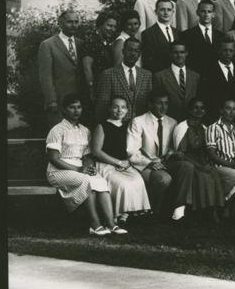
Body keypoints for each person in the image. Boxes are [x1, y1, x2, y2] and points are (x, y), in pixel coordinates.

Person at [46, 94, 123, 236]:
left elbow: (86, 156)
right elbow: (53, 158)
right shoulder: (57, 130)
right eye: (72, 107)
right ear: (64, 110)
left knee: (100, 181)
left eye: (79, 107)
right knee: (86, 181)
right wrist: (79, 169)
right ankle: (95, 224)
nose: (76, 111)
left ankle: (112, 224)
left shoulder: (85, 130)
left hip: (79, 169)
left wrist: (89, 167)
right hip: (58, 171)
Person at [126, 90, 193, 222]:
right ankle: (153, 212)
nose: (163, 107)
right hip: (146, 165)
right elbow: (132, 151)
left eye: (166, 103)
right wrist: (149, 163)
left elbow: (174, 146)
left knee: (187, 166)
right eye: (159, 103)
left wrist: (172, 154)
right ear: (150, 104)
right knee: (164, 179)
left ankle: (179, 209)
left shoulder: (172, 122)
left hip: (164, 162)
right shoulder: (138, 122)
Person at [89, 96, 152, 225]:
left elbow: (132, 147)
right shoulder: (102, 126)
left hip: (125, 164)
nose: (119, 110)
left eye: (123, 107)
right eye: (115, 107)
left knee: (138, 180)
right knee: (123, 184)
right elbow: (96, 151)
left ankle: (128, 213)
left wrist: (126, 162)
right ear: (109, 108)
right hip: (106, 164)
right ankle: (117, 214)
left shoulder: (129, 126)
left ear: (127, 110)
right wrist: (117, 162)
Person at [169, 98, 226, 222]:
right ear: (189, 110)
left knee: (213, 172)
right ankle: (204, 211)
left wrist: (205, 163)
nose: (199, 111)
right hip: (184, 160)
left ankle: (214, 210)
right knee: (201, 174)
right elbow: (180, 153)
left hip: (200, 160)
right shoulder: (182, 127)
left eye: (202, 108)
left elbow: (207, 151)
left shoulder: (205, 128)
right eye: (195, 107)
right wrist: (199, 166)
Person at [39, 10, 85, 125]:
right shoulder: (48, 45)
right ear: (60, 23)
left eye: (76, 22)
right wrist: (51, 100)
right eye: (69, 22)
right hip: (59, 101)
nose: (73, 25)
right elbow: (45, 76)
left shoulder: (82, 44)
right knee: (58, 136)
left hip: (79, 100)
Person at [94, 37, 152, 123]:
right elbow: (102, 106)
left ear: (140, 54)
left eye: (136, 51)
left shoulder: (146, 75)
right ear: (123, 51)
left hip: (140, 126)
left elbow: (149, 104)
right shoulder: (108, 74)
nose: (133, 53)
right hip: (117, 126)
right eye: (130, 50)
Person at [152, 41, 198, 122]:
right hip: (169, 121)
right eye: (175, 52)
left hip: (191, 121)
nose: (179, 55)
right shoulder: (159, 76)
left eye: (182, 52)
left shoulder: (195, 76)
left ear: (186, 53)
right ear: (170, 54)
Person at [200, 37, 235, 120]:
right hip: (216, 118)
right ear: (219, 51)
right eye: (225, 50)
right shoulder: (209, 72)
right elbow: (207, 98)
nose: (228, 53)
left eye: (231, 50)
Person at [182, 0, 224, 78]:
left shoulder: (221, 36)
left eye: (209, 12)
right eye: (203, 11)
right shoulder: (187, 35)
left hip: (216, 77)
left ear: (214, 14)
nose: (206, 14)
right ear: (197, 13)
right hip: (196, 76)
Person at [82, 12, 119, 102]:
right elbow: (87, 68)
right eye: (109, 26)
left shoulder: (106, 42)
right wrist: (92, 91)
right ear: (100, 25)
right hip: (95, 91)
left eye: (114, 26)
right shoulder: (91, 41)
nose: (113, 29)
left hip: (105, 88)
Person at [141, 0, 180, 74]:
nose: (166, 13)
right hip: (159, 77)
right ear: (156, 12)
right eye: (162, 10)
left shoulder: (178, 33)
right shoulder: (148, 34)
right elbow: (148, 62)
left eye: (169, 10)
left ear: (173, 12)